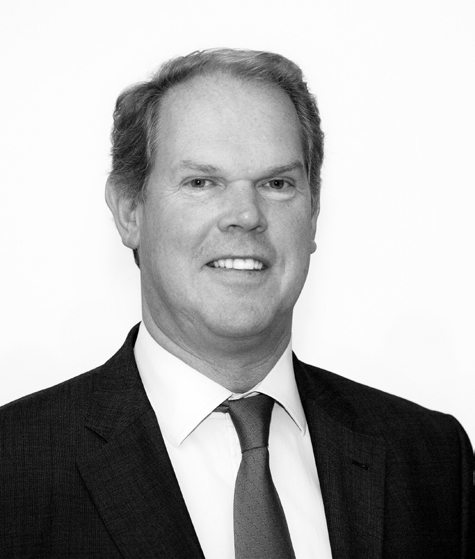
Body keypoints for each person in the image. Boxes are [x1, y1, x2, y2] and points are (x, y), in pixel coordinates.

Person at [0, 49, 472, 559]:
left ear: (314, 214)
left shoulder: (430, 456)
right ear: (129, 211)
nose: (246, 215)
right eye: (202, 183)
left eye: (277, 184)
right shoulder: (14, 467)